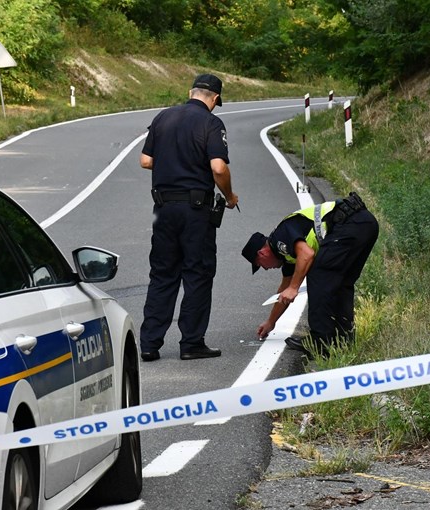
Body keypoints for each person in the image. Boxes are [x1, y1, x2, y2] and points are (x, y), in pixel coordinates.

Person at [138, 73, 239, 362]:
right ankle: (192, 343)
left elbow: (146, 160)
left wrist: (172, 162)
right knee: (197, 272)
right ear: (215, 99)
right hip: (196, 211)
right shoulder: (211, 123)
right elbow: (218, 168)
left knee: (162, 274)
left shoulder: (163, 118)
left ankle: (149, 344)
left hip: (163, 209)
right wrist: (230, 197)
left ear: (190, 91)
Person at [241, 192, 378, 356]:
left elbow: (307, 255)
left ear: (262, 253)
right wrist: (271, 322)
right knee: (341, 283)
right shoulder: (288, 257)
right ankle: (343, 339)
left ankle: (320, 341)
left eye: (260, 265)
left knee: (318, 274)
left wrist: (294, 287)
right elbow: (283, 293)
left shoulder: (279, 238)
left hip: (351, 223)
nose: (265, 268)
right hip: (365, 224)